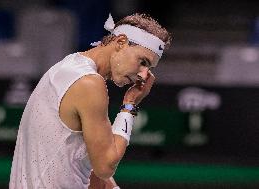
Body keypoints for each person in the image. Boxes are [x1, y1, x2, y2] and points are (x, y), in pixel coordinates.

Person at [9, 13, 171, 189]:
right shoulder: (89, 83)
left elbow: (90, 167)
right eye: (142, 62)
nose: (143, 75)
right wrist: (129, 105)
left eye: (149, 68)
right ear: (121, 42)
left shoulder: (70, 66)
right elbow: (105, 167)